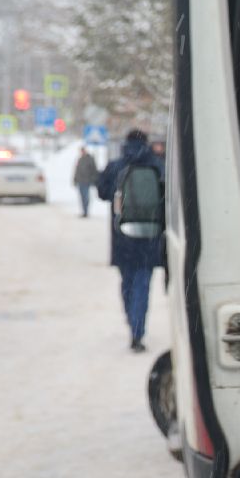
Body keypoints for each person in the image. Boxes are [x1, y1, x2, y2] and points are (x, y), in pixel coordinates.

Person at [96, 129, 165, 352]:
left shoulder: (116, 166)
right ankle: (138, 331)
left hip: (122, 237)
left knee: (127, 283)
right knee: (143, 285)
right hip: (150, 236)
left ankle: (131, 320)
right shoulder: (157, 165)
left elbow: (102, 192)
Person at [73, 146, 98, 217]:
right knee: (82, 197)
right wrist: (75, 179)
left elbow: (94, 170)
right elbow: (76, 170)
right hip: (80, 181)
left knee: (86, 197)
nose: (82, 152)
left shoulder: (90, 159)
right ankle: (84, 211)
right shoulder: (80, 159)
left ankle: (86, 211)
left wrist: (93, 179)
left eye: (83, 151)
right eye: (81, 151)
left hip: (87, 181)